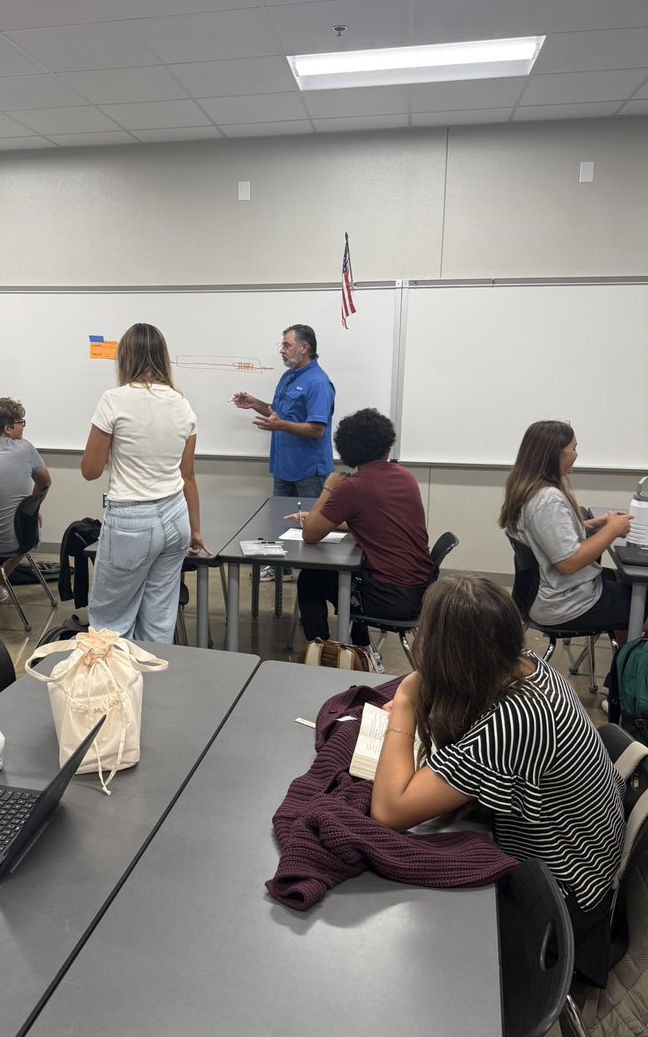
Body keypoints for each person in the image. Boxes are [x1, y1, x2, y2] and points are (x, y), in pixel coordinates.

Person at [370, 575, 625, 985]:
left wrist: (405, 702)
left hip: (563, 901)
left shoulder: (516, 719)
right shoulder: (525, 665)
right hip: (583, 860)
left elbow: (388, 811)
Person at [81, 323, 208, 643]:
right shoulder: (182, 403)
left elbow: (90, 470)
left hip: (131, 521)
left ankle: (116, 677)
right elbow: (188, 475)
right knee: (159, 620)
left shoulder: (113, 400)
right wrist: (195, 530)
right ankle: (152, 674)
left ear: (125, 357)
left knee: (111, 624)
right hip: (176, 518)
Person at [296, 408, 433, 645]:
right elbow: (375, 521)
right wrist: (327, 520)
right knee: (350, 573)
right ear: (386, 443)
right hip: (421, 591)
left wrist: (328, 488)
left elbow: (309, 534)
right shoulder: (404, 476)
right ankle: (360, 644)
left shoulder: (352, 486)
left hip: (390, 598)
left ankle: (321, 651)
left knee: (311, 578)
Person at [498, 421, 638, 638]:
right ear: (555, 454)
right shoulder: (547, 500)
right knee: (639, 603)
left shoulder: (529, 488)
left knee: (631, 585)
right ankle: (632, 656)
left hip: (554, 594)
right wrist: (611, 530)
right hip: (564, 603)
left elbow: (550, 537)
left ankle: (625, 651)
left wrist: (593, 525)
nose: (576, 454)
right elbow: (569, 563)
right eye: (573, 448)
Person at [232, 324, 334, 579]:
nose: (282, 350)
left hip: (308, 470)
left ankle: (313, 579)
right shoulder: (288, 376)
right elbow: (278, 413)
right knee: (279, 522)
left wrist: (280, 425)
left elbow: (316, 429)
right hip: (283, 467)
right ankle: (282, 569)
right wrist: (254, 403)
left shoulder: (318, 382)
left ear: (304, 348)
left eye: (287, 345)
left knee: (311, 526)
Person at [0, 396, 51, 611]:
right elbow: (45, 482)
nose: (23, 427)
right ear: (7, 428)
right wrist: (32, 509)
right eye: (20, 423)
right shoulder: (25, 449)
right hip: (13, 543)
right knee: (31, 526)